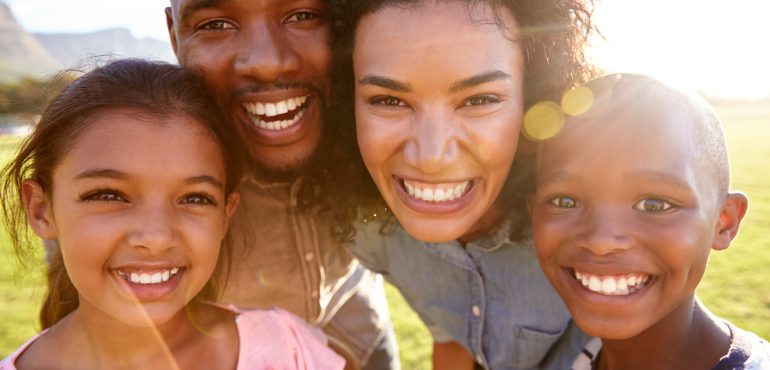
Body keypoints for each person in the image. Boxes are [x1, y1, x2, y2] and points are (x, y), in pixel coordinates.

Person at [0, 59, 344, 370]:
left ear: (226, 215)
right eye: (109, 195)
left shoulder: (287, 350)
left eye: (195, 198)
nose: (156, 238)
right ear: (41, 210)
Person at [330, 0, 595, 368]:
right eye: (389, 100)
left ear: (533, 100)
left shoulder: (588, 223)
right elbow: (452, 336)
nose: (431, 156)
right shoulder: (373, 232)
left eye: (479, 100)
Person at [164, 1, 398, 369]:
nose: (267, 62)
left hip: (363, 342)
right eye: (216, 24)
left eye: (303, 16)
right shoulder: (149, 160)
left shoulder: (386, 127)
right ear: (175, 35)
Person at [529, 73, 770, 369]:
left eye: (654, 205)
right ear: (532, 212)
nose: (601, 240)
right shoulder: (585, 357)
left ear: (724, 221)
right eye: (565, 201)